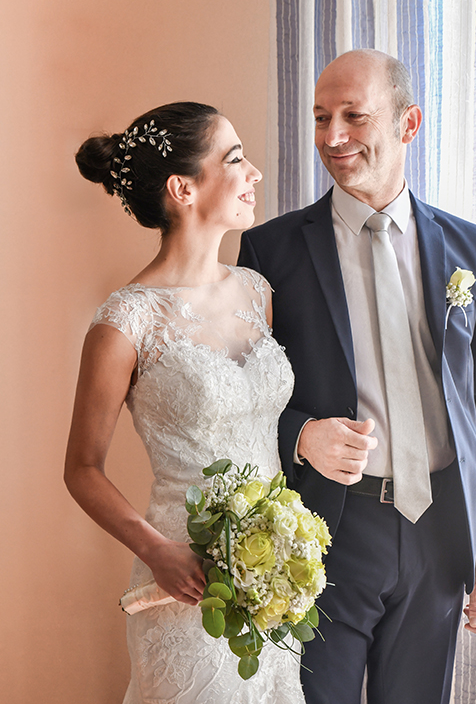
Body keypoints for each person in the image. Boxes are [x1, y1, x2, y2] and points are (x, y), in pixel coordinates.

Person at [238, 49, 476, 704]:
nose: (332, 138)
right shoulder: (269, 249)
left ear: (408, 124)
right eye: (320, 118)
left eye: (354, 117)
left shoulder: (465, 245)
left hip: (439, 533)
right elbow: (240, 399)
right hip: (326, 532)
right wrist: (301, 434)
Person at [65, 102, 304, 702]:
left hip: (270, 586)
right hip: (182, 581)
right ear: (183, 188)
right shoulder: (125, 322)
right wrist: (155, 549)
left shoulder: (256, 291)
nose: (253, 173)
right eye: (235, 158)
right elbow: (81, 469)